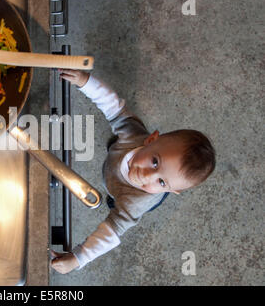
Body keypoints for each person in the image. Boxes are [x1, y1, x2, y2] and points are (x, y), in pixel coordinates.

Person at [51, 69, 216, 274]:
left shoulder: (137, 201)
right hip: (116, 163)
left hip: (119, 191)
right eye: (155, 162)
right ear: (151, 139)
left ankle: (114, 196)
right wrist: (86, 81)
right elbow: (113, 107)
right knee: (119, 139)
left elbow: (111, 232)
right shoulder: (135, 135)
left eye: (162, 182)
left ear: (172, 191)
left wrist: (77, 258)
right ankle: (116, 149)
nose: (147, 176)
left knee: (116, 203)